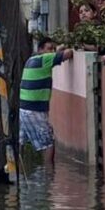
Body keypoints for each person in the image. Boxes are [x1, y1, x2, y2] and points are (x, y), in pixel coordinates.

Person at [20, 37, 75, 165]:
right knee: (48, 142)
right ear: (40, 50)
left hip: (24, 108)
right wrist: (72, 47)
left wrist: (57, 50)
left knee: (21, 141)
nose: (51, 51)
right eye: (49, 48)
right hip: (35, 110)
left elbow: (55, 55)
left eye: (53, 49)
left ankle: (18, 171)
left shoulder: (31, 59)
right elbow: (69, 54)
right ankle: (49, 174)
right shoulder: (45, 59)